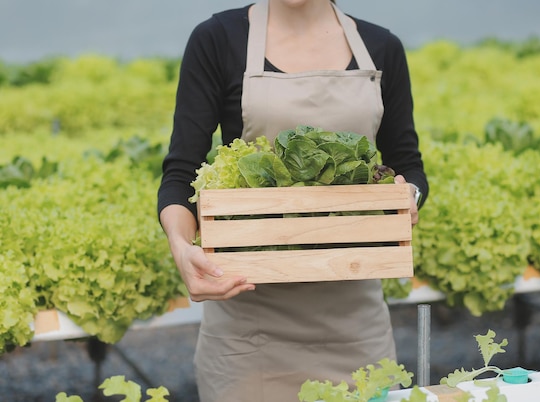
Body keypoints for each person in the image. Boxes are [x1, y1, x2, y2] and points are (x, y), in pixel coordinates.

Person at [157, 1, 429, 400]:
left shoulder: (381, 46)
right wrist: (181, 248)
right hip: (248, 327)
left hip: (356, 323)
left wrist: (410, 196)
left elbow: (407, 163)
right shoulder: (217, 39)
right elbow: (182, 173)